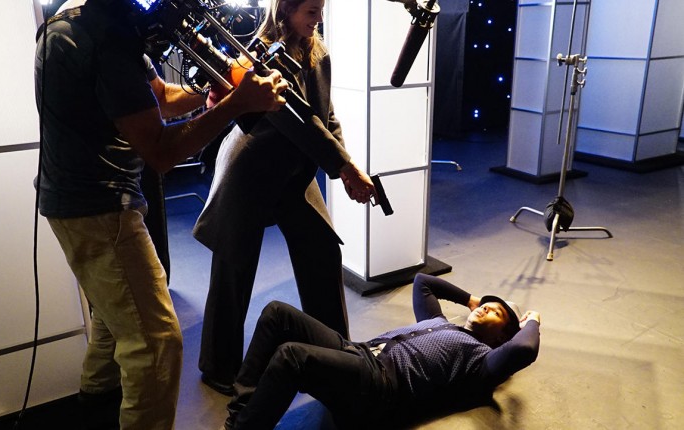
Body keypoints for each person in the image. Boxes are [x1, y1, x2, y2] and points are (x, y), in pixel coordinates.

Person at [34, 0, 288, 428]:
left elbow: (159, 97)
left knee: (115, 321)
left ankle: (96, 404)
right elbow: (162, 151)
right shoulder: (107, 37)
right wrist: (236, 106)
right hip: (99, 210)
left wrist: (212, 96)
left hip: (75, 205)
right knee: (155, 344)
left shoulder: (77, 20)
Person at [192, 0, 377, 395]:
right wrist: (344, 167)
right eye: (311, 12)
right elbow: (299, 122)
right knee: (234, 269)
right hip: (252, 168)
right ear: (286, 10)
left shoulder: (317, 49)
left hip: (293, 168)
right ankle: (218, 367)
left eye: (321, 10)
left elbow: (326, 115)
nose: (319, 19)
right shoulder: (259, 57)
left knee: (322, 251)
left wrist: (345, 162)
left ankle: (336, 354)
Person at [221, 273, 541, 429]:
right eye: (488, 304)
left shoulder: (481, 361)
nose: (487, 308)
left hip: (379, 385)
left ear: (502, 336)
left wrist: (532, 321)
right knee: (277, 313)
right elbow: (423, 282)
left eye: (496, 312)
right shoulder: (439, 321)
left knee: (292, 356)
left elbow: (524, 349)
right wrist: (471, 299)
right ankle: (240, 416)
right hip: (358, 351)